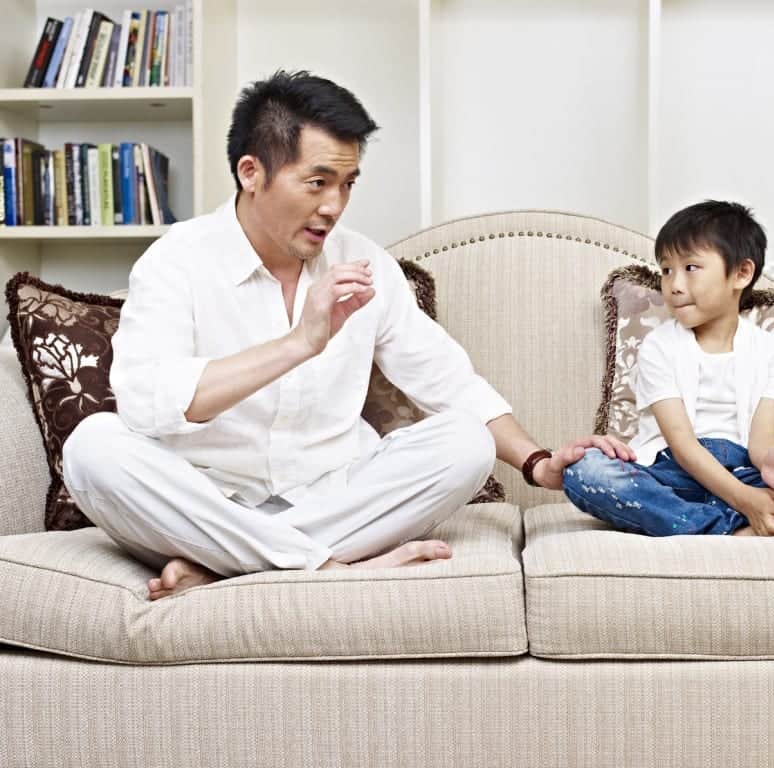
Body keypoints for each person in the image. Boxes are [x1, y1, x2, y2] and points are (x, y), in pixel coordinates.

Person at [61, 70, 633, 601]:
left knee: (464, 443)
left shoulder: (366, 263)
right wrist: (298, 344)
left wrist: (537, 463)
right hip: (201, 502)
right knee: (93, 449)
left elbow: (450, 383)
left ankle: (233, 566)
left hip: (331, 497)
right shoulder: (176, 262)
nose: (333, 206)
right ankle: (324, 568)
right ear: (251, 173)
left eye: (347, 183)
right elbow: (147, 401)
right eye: (316, 182)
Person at [562, 200, 774, 537]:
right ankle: (738, 525)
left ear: (741, 273)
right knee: (585, 470)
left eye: (690, 267)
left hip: (745, 471)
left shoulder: (769, 350)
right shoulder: (658, 346)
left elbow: (761, 442)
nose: (674, 285)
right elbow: (683, 445)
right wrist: (748, 501)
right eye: (666, 270)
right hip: (670, 475)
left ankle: (711, 521)